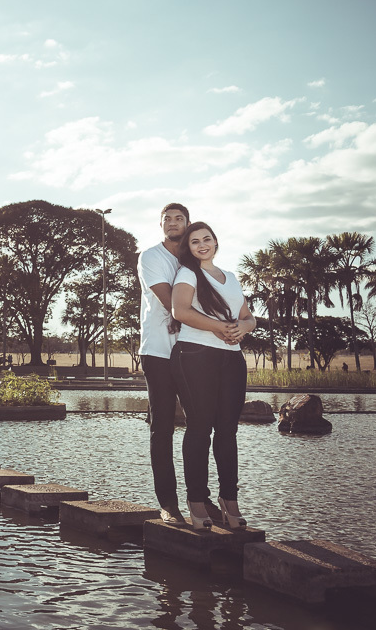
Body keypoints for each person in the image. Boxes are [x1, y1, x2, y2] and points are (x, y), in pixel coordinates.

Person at [170, 221, 255, 531]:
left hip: (231, 359)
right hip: (194, 356)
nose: (202, 245)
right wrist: (221, 327)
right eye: (195, 242)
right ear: (189, 248)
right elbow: (180, 311)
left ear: (216, 242)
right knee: (199, 429)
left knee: (228, 431)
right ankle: (196, 501)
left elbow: (248, 316)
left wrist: (243, 327)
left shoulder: (230, 278)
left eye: (207, 239)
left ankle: (229, 501)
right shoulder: (188, 274)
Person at [137, 202, 190, 525]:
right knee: (163, 427)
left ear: (187, 223)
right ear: (161, 225)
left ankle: (200, 500)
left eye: (179, 218)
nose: (173, 223)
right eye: (167, 219)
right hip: (157, 350)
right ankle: (168, 503)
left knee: (199, 427)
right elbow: (171, 302)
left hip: (192, 350)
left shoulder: (195, 258)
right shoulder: (151, 257)